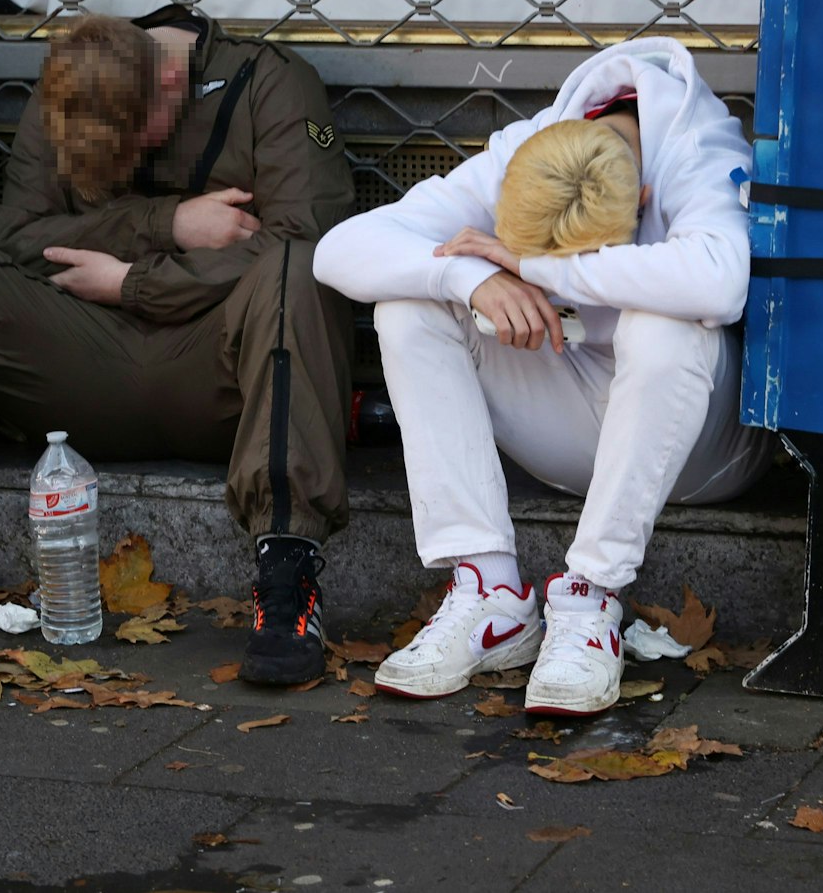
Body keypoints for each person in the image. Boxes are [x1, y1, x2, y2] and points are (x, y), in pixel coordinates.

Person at [0, 7, 354, 684]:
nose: (123, 164)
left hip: (222, 368)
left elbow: (311, 236)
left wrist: (137, 282)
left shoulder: (273, 83)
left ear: (167, 84)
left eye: (131, 146)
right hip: (82, 355)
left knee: (298, 271)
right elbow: (15, 236)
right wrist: (166, 221)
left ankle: (288, 573)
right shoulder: (73, 83)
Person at [313, 37, 775, 714]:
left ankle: (590, 599)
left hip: (700, 443)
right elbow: (338, 249)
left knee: (667, 323)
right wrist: (468, 276)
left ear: (641, 200)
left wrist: (539, 270)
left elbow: (721, 280)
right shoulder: (527, 152)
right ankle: (489, 595)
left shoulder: (696, 148)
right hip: (574, 418)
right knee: (410, 305)